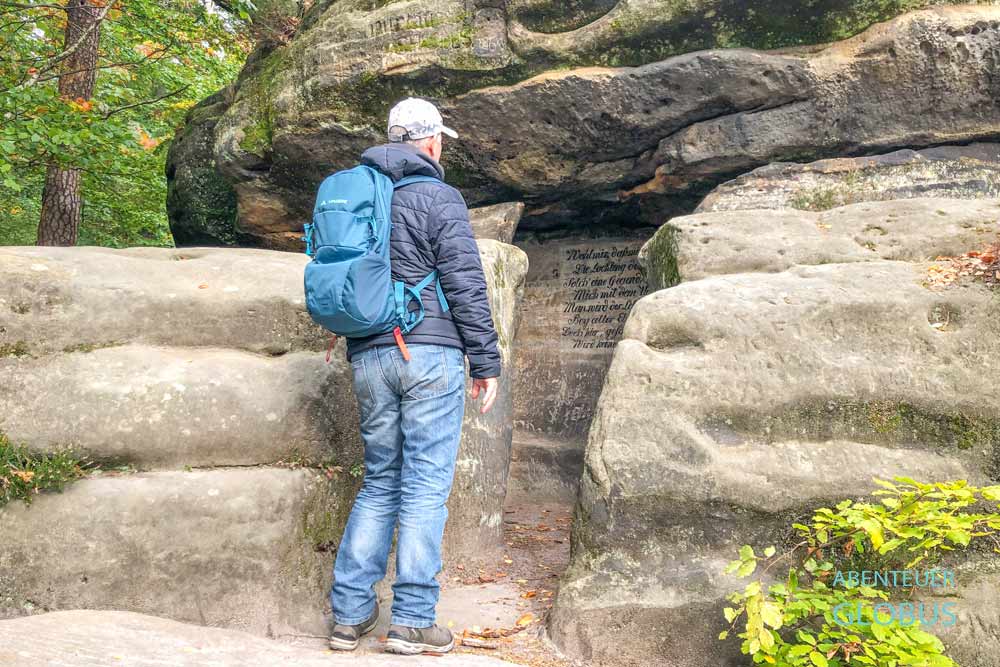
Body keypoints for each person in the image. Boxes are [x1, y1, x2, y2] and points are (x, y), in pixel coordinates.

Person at [327, 97, 501, 656]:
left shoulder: (361, 192)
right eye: (440, 139)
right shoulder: (437, 196)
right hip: (428, 354)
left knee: (380, 481)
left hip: (369, 354)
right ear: (431, 141)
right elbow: (464, 280)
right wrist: (485, 360)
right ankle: (412, 620)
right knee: (425, 485)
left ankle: (349, 616)